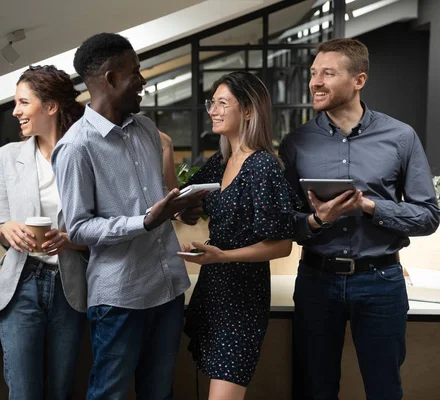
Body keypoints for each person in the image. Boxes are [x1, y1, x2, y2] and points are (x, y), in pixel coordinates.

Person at [279, 38, 440, 400]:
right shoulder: (297, 142)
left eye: (328, 73)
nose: (315, 82)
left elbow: (428, 216)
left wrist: (370, 207)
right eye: (313, 73)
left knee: (384, 389)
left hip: (381, 282)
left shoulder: (401, 137)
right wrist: (317, 220)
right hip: (316, 281)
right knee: (314, 389)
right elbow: (286, 221)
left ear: (359, 80)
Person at [51, 32, 204, 400]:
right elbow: (79, 227)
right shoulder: (75, 147)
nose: (143, 80)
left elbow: (155, 200)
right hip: (120, 297)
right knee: (110, 394)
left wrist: (182, 207)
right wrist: (146, 221)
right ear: (111, 79)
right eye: (135, 71)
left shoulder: (147, 129)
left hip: (167, 288)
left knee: (159, 392)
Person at [177, 71, 301, 400]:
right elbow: (181, 200)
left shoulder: (262, 166)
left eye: (222, 103)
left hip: (242, 297)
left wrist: (222, 255)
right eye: (211, 103)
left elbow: (282, 245)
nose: (213, 111)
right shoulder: (221, 161)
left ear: (247, 110)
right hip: (213, 291)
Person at [0, 65, 88, 400]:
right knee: (24, 392)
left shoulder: (83, 152)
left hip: (69, 284)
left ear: (51, 106)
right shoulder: (6, 156)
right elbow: (0, 225)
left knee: (60, 390)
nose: (15, 111)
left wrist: (71, 241)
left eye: (23, 102)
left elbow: (102, 225)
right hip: (21, 282)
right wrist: (7, 230)